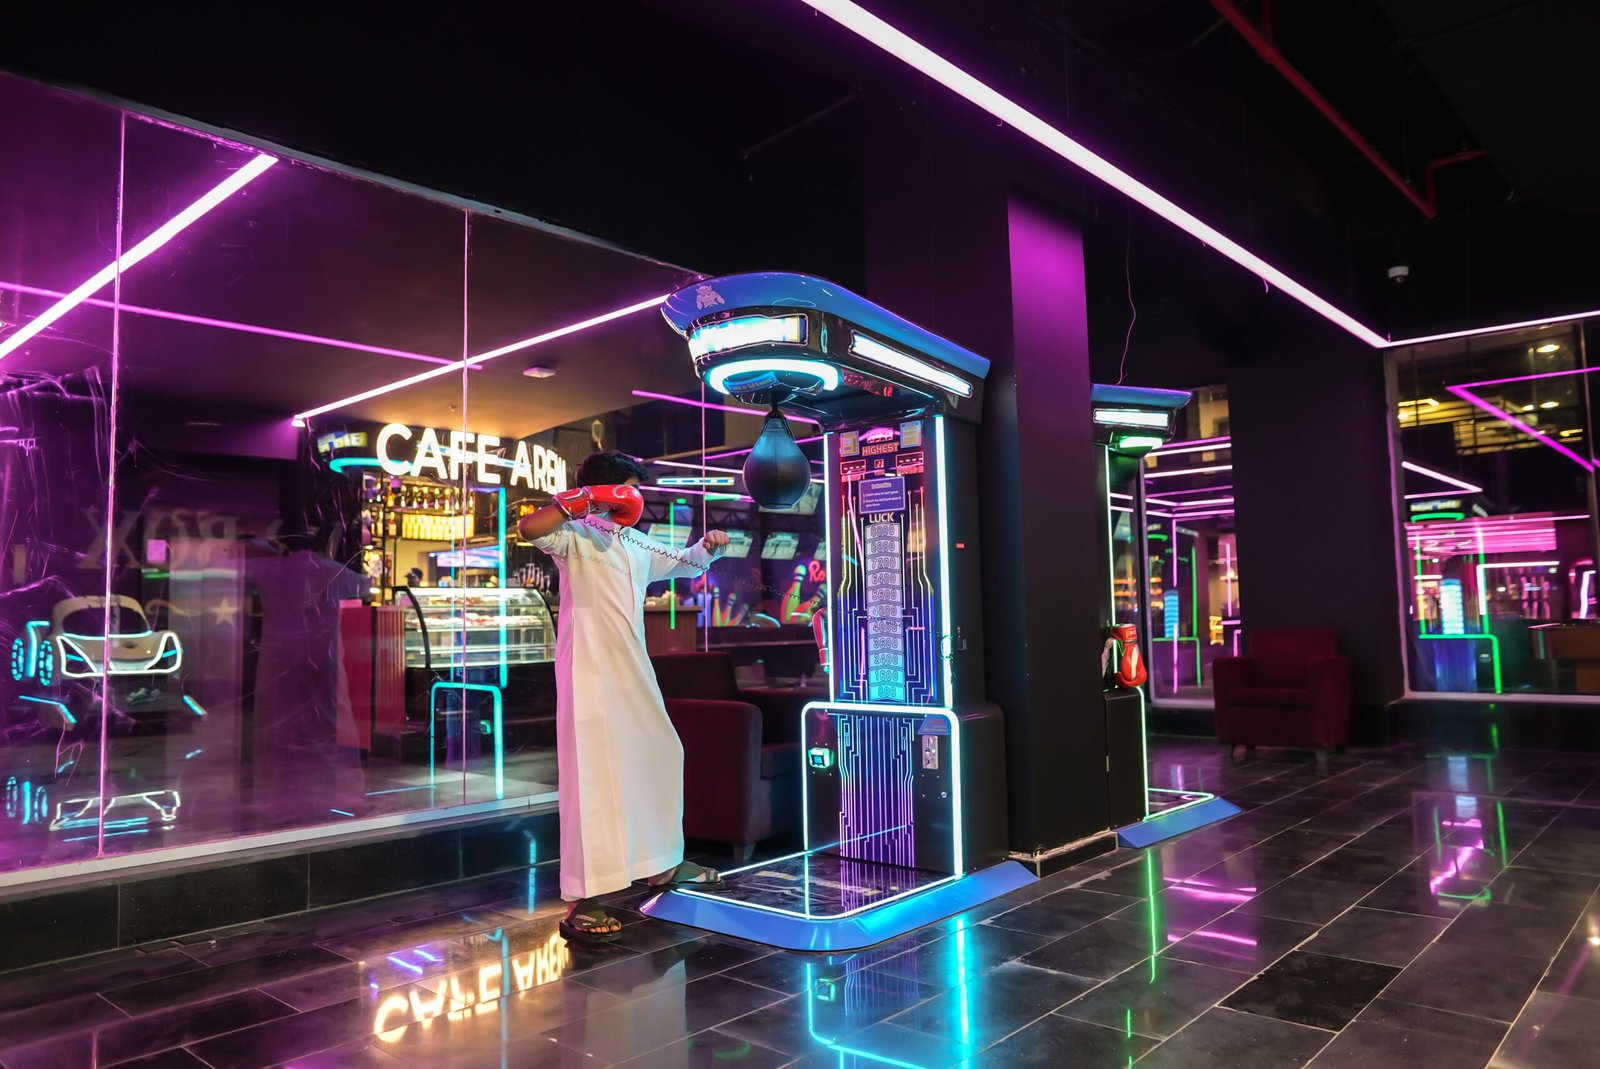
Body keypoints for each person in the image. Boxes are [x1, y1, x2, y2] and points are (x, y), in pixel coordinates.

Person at [515, 451, 729, 942]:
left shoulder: (634, 540)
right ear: (609, 490)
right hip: (588, 667)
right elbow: (529, 528)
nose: (638, 499)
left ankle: (662, 863)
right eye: (631, 488)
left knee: (661, 751)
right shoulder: (575, 534)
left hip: (632, 664)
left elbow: (685, 564)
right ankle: (584, 900)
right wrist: (585, 501)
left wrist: (708, 547)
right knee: (593, 777)